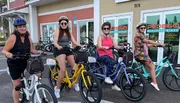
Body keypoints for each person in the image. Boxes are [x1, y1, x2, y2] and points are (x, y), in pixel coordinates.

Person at [2, 18, 42, 103]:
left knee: (38, 73)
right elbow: (4, 50)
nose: (23, 28)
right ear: (16, 28)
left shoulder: (28, 36)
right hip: (14, 63)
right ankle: (16, 101)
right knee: (17, 85)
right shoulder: (13, 37)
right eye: (20, 26)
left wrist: (39, 52)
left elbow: (31, 50)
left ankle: (29, 86)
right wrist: (8, 54)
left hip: (26, 61)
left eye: (24, 26)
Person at [53, 16, 81, 98]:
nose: (63, 24)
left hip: (67, 49)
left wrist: (81, 45)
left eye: (65, 23)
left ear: (67, 24)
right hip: (59, 50)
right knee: (63, 69)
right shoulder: (57, 30)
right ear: (60, 24)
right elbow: (55, 41)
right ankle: (57, 88)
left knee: (75, 67)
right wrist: (58, 46)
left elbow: (74, 41)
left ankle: (75, 83)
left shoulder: (69, 31)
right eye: (62, 23)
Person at [134, 23, 165, 91]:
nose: (143, 29)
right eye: (141, 28)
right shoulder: (138, 35)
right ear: (139, 29)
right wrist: (158, 43)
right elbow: (147, 41)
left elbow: (146, 44)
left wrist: (155, 45)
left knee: (142, 69)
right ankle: (154, 82)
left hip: (143, 55)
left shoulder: (142, 35)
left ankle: (142, 80)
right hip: (141, 55)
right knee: (152, 66)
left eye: (144, 28)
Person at [97, 22, 123, 91]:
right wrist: (104, 47)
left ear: (109, 29)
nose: (106, 29)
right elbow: (99, 46)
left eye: (107, 28)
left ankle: (114, 85)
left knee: (113, 68)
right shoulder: (100, 37)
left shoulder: (111, 37)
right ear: (102, 29)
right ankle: (107, 77)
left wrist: (123, 47)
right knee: (109, 62)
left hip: (109, 55)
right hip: (101, 55)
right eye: (104, 28)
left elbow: (116, 46)